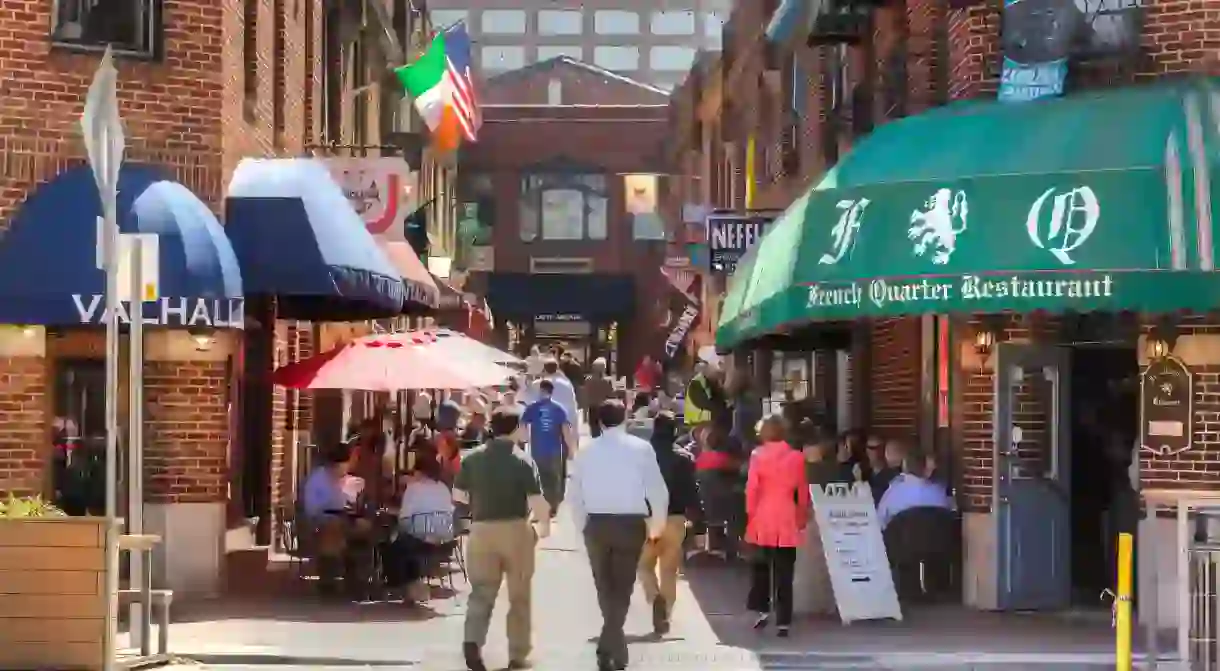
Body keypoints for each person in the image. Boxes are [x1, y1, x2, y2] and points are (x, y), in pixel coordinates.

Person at [569, 399, 669, 671]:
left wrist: (582, 526)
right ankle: (612, 645)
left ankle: (610, 645)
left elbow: (574, 494)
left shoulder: (586, 451)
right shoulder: (641, 449)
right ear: (625, 418)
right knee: (622, 587)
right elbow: (657, 491)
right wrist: (656, 526)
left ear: (599, 422)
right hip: (630, 524)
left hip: (597, 525)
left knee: (604, 586)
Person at [453, 407, 551, 671]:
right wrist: (543, 526)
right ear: (517, 428)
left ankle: (472, 640)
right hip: (515, 529)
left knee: (482, 591)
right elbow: (537, 502)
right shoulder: (522, 460)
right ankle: (518, 653)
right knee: (519, 594)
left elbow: (459, 496)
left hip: (481, 530)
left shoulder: (471, 459)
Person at [744, 414, 810, 637]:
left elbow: (752, 489)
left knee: (761, 567)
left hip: (763, 515)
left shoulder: (757, 455)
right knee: (785, 571)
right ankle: (784, 620)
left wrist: (750, 514)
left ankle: (762, 610)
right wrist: (801, 516)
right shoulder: (796, 457)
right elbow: (802, 491)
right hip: (786, 515)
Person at [638, 412, 697, 635]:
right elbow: (692, 492)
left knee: (644, 565)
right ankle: (666, 613)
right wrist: (698, 523)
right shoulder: (684, 458)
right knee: (669, 571)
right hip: (675, 519)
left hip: (648, 519)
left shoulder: (642, 456)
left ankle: (654, 598)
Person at [387, 453, 456, 601]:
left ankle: (402, 586)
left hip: (421, 537)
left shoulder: (414, 488)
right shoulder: (443, 487)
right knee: (405, 542)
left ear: (419, 471)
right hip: (445, 540)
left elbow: (405, 518)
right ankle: (413, 585)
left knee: (395, 545)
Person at [522, 379, 572, 514]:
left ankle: (542, 507)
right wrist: (571, 449)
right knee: (554, 479)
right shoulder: (559, 408)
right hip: (555, 450)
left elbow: (523, 425)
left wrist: (525, 439)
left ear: (541, 390)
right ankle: (553, 506)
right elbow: (566, 430)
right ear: (552, 392)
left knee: (540, 479)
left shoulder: (532, 407)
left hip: (537, 449)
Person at [876, 449, 954, 530]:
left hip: (899, 541)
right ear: (928, 470)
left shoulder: (891, 494)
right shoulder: (942, 494)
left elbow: (879, 524)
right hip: (937, 541)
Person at [529, 360, 580, 434]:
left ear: (544, 369)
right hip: (568, 418)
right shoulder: (566, 382)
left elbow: (531, 400)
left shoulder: (539, 384)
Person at [583, 358, 615, 438]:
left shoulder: (588, 380)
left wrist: (584, 414)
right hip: (604, 409)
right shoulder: (607, 381)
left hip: (592, 409)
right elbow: (610, 394)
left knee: (595, 434)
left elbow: (585, 397)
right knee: (606, 434)